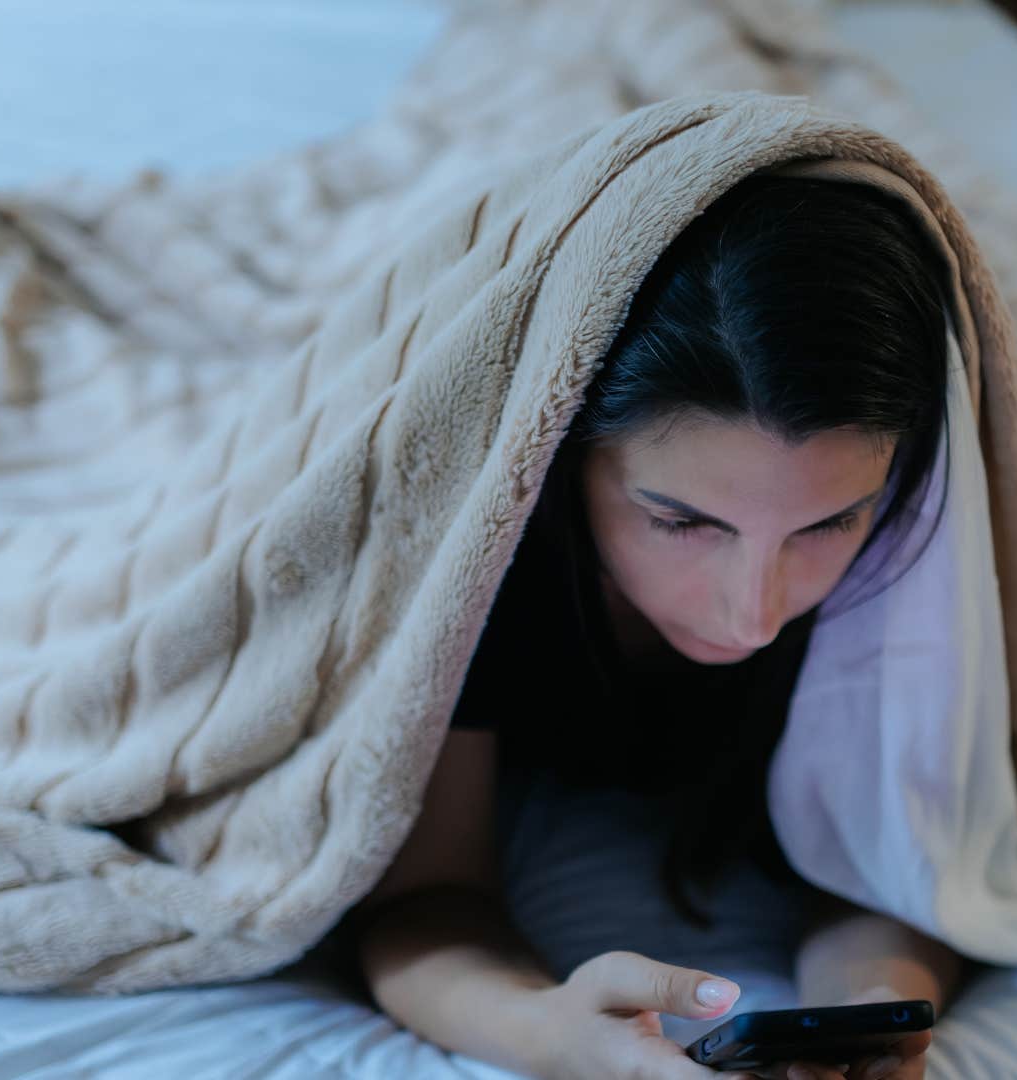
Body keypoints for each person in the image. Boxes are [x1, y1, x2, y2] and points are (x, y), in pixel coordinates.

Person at [355, 175, 964, 1080]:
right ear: (558, 451)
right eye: (681, 522)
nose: (753, 613)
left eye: (831, 521)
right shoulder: (481, 568)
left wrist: (871, 1008)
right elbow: (423, 896)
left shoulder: (919, 550)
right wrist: (543, 1028)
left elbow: (893, 860)